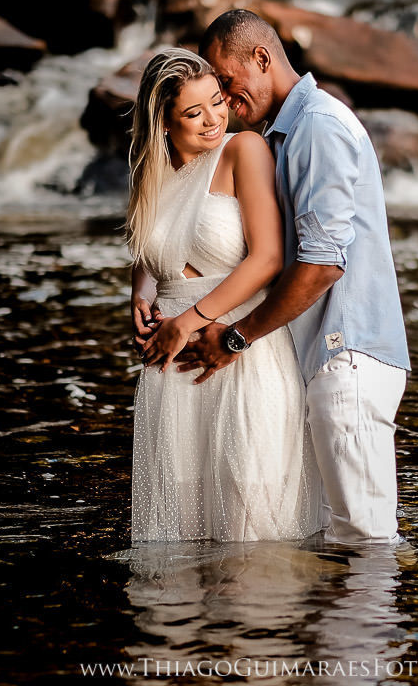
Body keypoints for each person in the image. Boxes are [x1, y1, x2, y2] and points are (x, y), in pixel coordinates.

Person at [177, 9, 411, 545]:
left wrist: (236, 338)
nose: (225, 101)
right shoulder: (285, 134)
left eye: (227, 82)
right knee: (337, 537)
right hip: (324, 361)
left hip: (347, 356)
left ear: (262, 57)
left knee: (366, 541)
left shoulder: (317, 128)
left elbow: (323, 264)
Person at [125, 48, 322, 543]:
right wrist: (141, 297)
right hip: (170, 364)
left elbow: (267, 259)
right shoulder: (150, 173)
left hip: (240, 351)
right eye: (194, 113)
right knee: (181, 524)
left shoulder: (243, 150)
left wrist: (188, 320)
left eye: (217, 101)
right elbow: (149, 248)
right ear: (163, 122)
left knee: (247, 516)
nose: (214, 119)